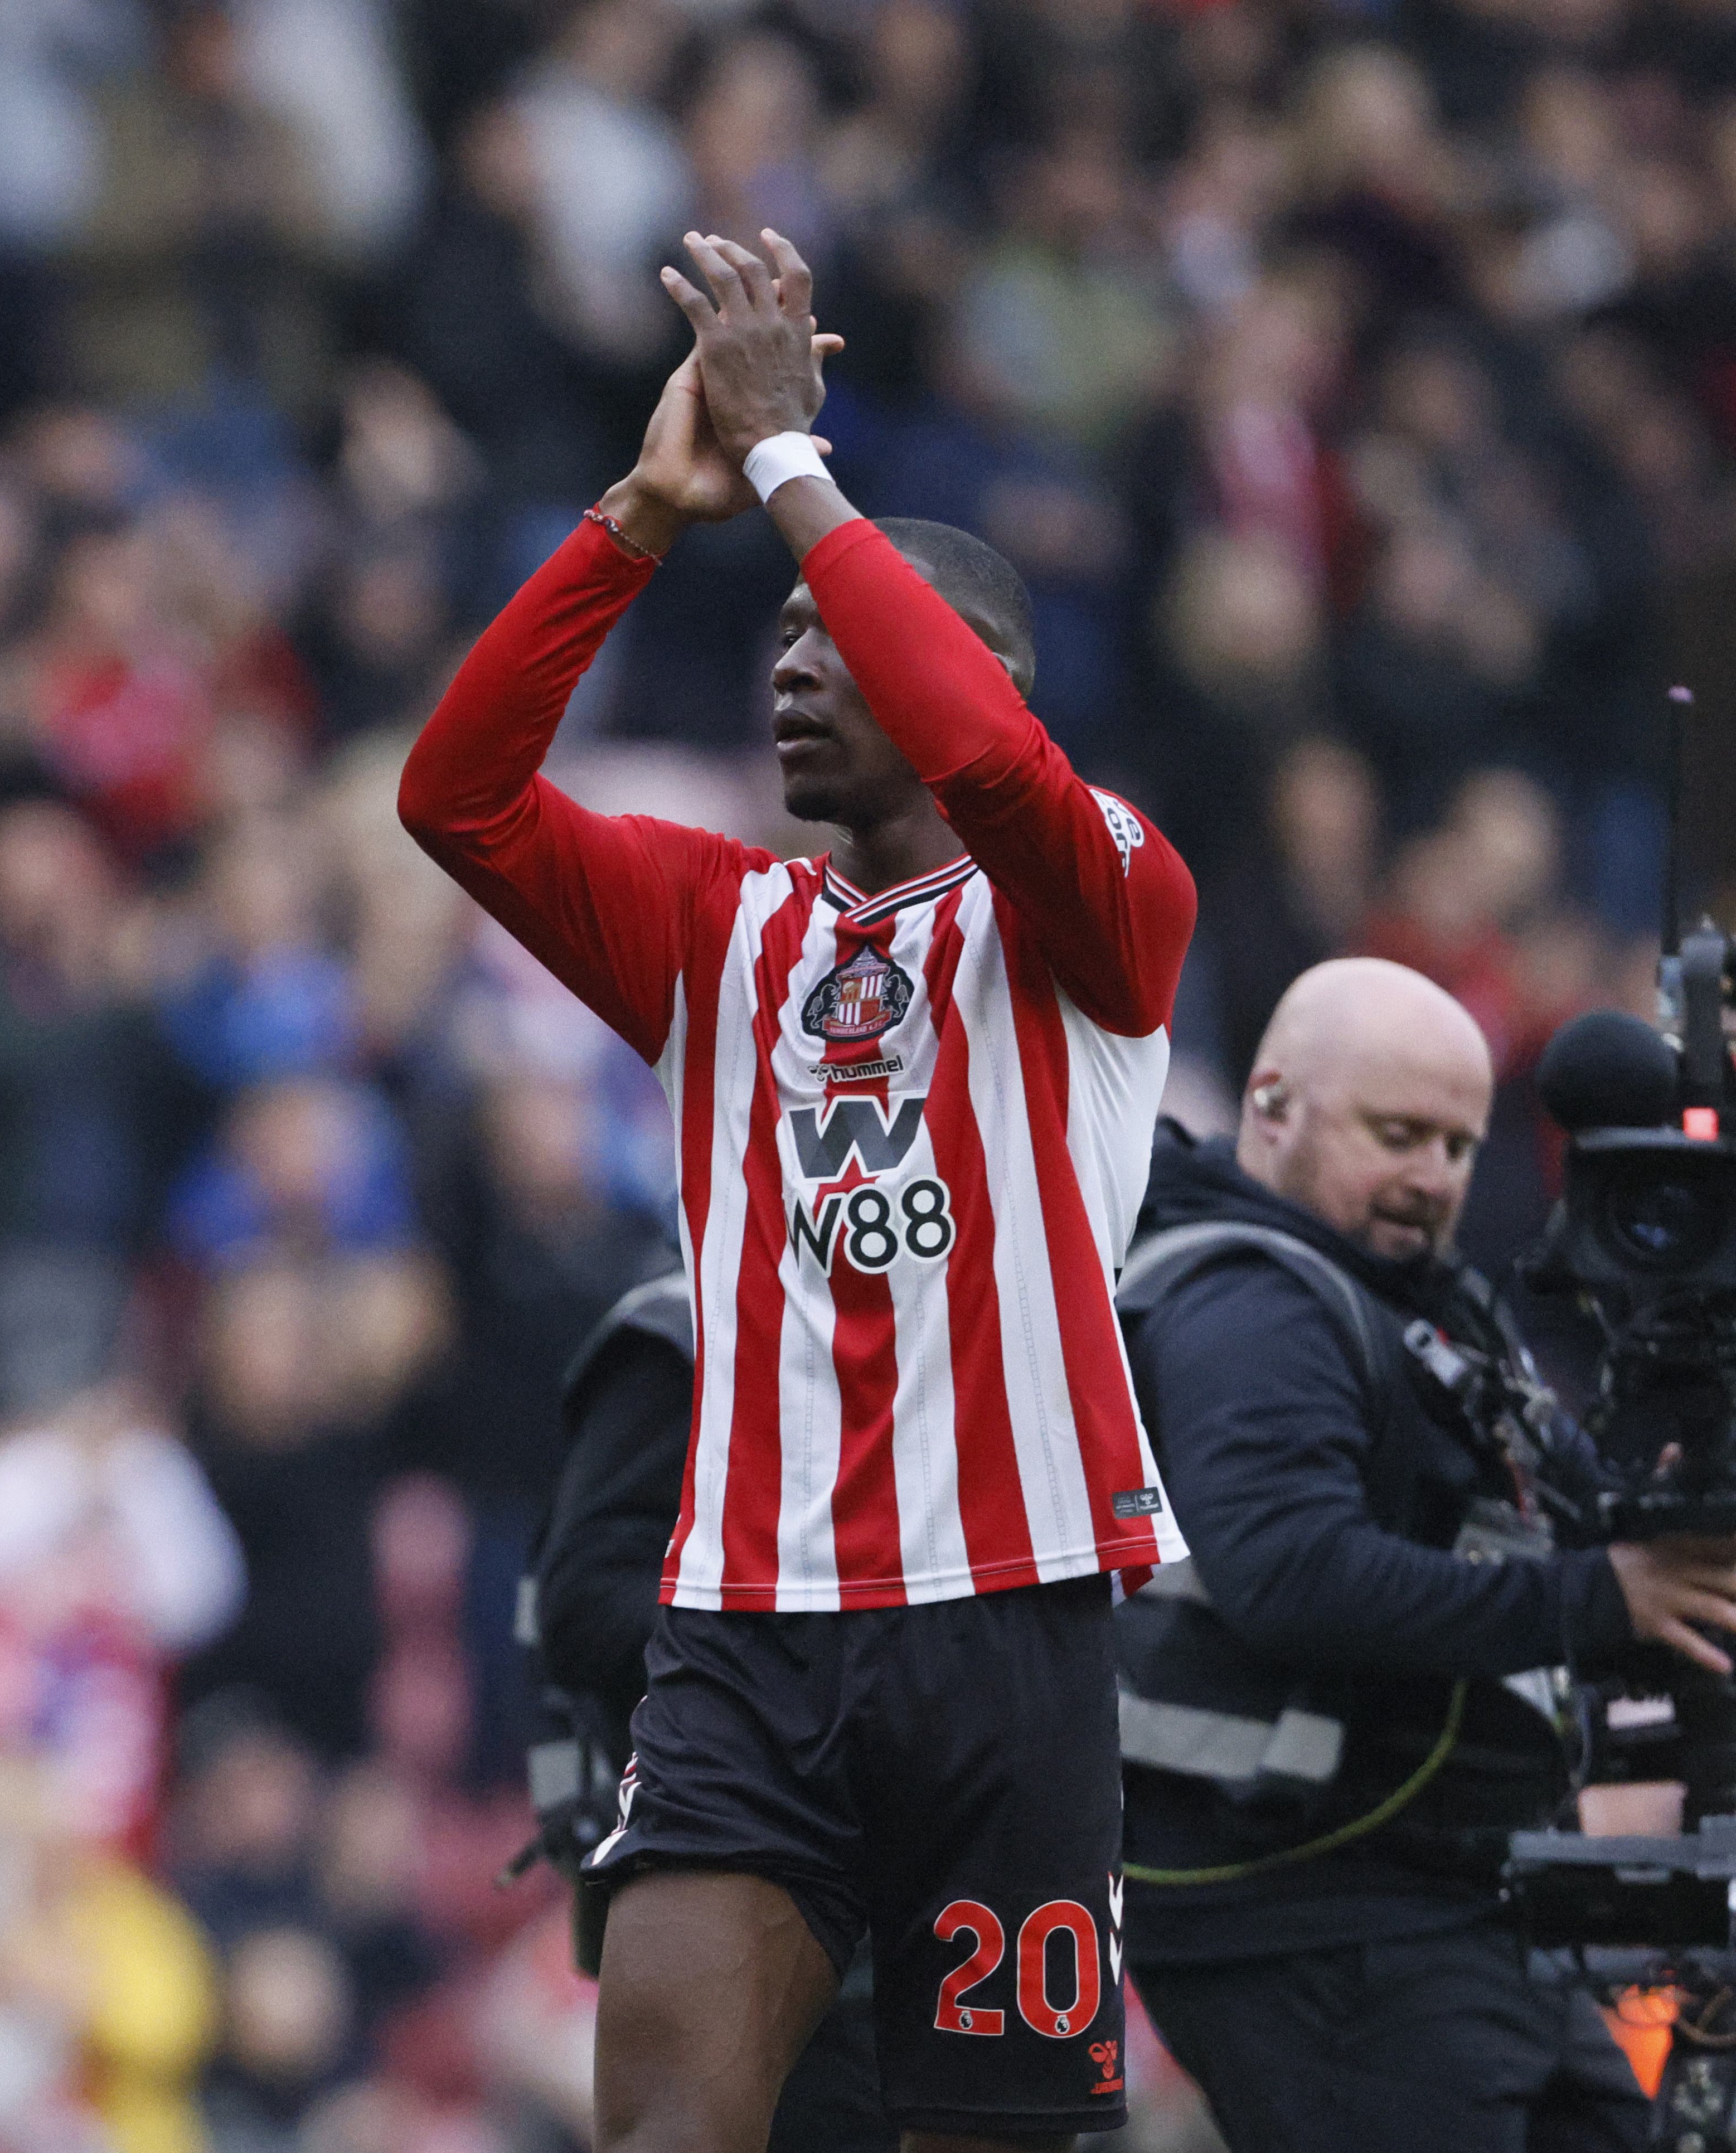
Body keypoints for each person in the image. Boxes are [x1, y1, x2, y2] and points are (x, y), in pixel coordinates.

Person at [399, 227, 1196, 2153]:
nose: (788, 660)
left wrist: (788, 464)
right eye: (775, 635)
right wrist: (638, 517)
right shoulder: (714, 924)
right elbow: (456, 797)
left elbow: (995, 769)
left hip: (1009, 1619)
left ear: (975, 677)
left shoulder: (1092, 895)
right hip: (742, 1626)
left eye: (830, 633)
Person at [1113, 958, 1708, 2153]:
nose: (1431, 1176)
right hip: (1313, 1910)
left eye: (1457, 1145)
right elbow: (1291, 1577)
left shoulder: (1403, 1297)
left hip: (1444, 1900)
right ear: (1271, 1104)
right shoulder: (1253, 1303)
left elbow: (1558, 1513)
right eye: (1395, 1135)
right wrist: (1602, 1598)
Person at [526, 1259, 891, 2153]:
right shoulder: (682, 1333)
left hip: (926, 1881)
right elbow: (582, 1610)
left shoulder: (961, 1319)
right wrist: (809, 1643)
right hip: (737, 1860)